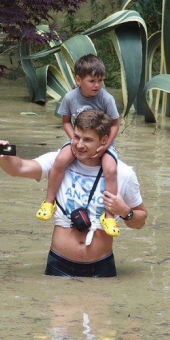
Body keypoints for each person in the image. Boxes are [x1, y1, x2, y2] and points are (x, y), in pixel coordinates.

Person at [0, 109, 147, 277]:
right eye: (76, 137)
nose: (79, 145)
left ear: (104, 140)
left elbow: (140, 221)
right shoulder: (58, 161)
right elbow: (19, 168)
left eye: (87, 140)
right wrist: (5, 157)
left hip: (101, 266)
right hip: (59, 263)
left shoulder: (123, 173)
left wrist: (125, 211)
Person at [35, 54, 121, 238]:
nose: (96, 85)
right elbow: (66, 121)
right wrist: (75, 140)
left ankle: (110, 216)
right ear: (78, 80)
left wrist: (105, 146)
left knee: (111, 170)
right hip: (78, 139)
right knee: (60, 160)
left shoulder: (106, 99)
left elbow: (115, 124)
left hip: (103, 144)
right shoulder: (70, 97)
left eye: (100, 80)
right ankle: (49, 201)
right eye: (92, 81)